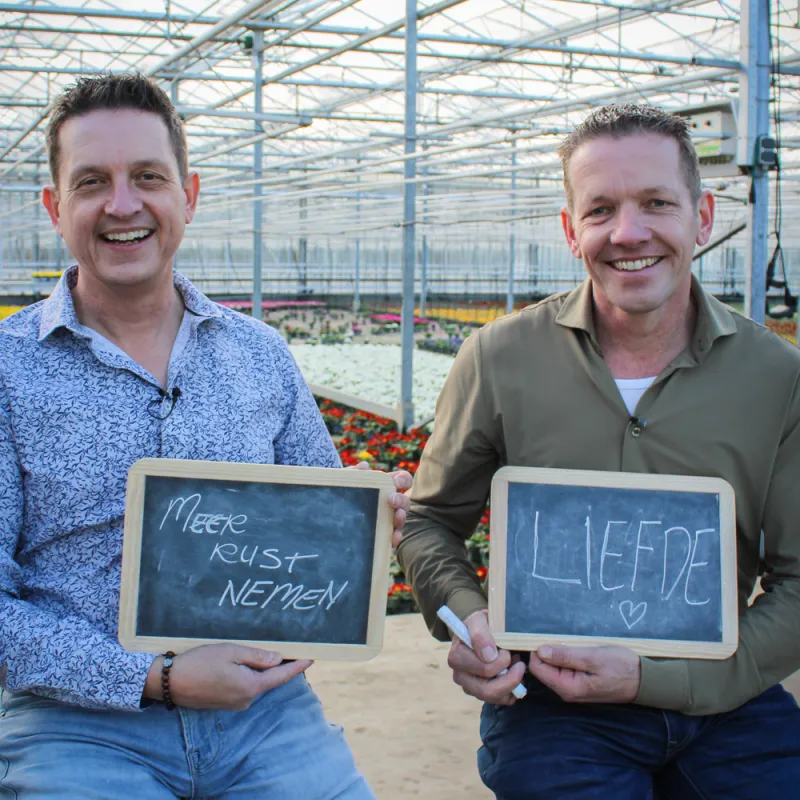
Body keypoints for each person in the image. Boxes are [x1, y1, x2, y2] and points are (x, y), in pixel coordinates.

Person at [0, 73, 411, 799]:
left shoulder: (259, 353)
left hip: (264, 717)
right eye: (92, 181)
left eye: (148, 178)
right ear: (54, 208)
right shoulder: (9, 370)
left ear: (188, 195)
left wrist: (371, 524)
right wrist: (153, 679)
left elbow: (322, 525)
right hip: (77, 725)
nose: (122, 204)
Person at [398, 103, 800, 799]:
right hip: (557, 705)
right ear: (569, 229)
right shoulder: (502, 357)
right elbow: (431, 523)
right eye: (600, 210)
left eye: (656, 203)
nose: (628, 233)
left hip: (727, 700)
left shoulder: (774, 376)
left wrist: (670, 679)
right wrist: (473, 621)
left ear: (702, 217)